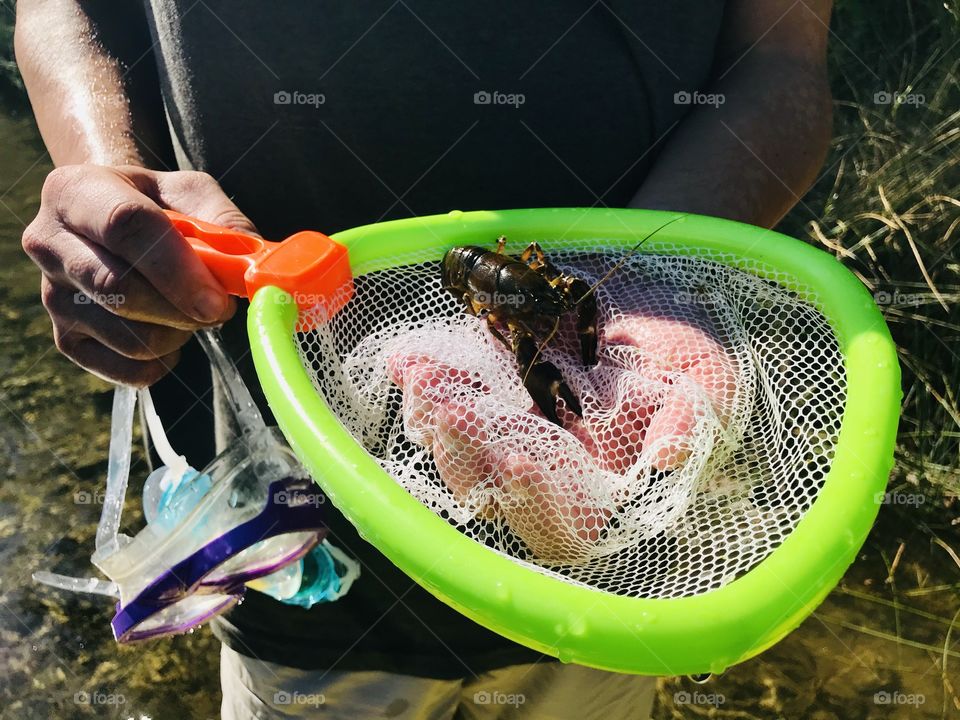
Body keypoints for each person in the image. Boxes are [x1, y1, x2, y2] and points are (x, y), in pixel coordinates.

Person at [15, 1, 833, 718]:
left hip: (605, 581)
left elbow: (780, 55)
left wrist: (640, 272)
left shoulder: (563, 309)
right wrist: (105, 169)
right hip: (297, 544)